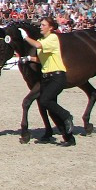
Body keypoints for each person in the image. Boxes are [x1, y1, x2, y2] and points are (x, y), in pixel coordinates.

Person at [19, 17, 75, 146]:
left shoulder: (53, 38)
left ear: (50, 27)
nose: (40, 27)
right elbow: (42, 59)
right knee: (50, 108)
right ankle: (69, 138)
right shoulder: (42, 40)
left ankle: (67, 116)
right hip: (46, 77)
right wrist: (28, 58)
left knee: (44, 100)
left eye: (43, 25)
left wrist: (25, 38)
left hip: (57, 76)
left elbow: (38, 45)